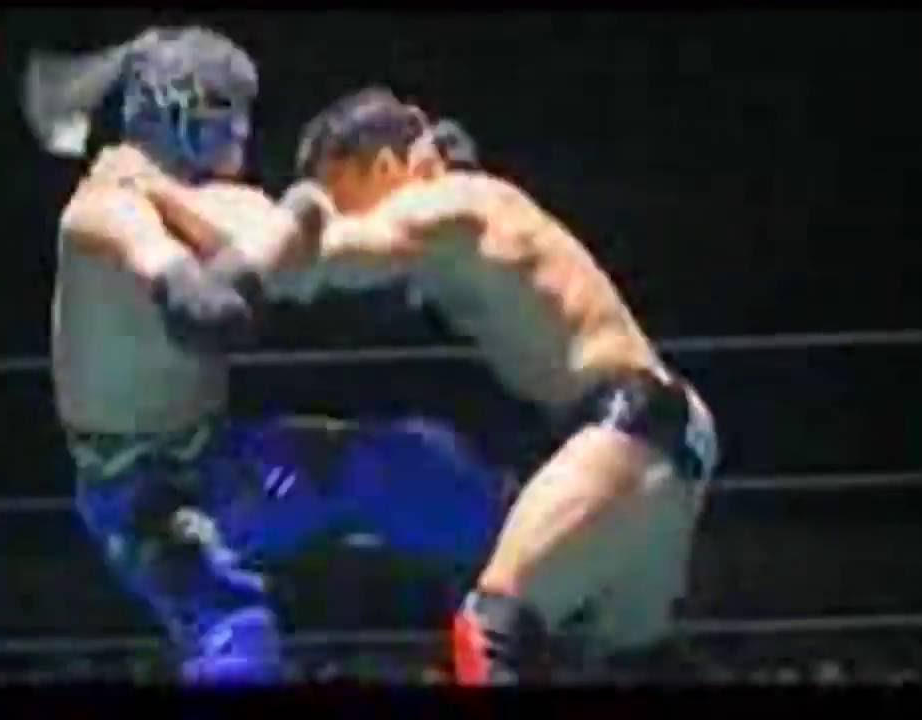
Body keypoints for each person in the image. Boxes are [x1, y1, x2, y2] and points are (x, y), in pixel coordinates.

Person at [118, 86, 720, 684]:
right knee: (633, 656)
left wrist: (167, 198)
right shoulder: (478, 211)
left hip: (629, 428)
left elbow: (317, 256)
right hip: (664, 431)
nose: (335, 211)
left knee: (491, 634)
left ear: (384, 166)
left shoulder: (443, 205)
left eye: (338, 194)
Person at [25, 32, 505, 685]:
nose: (243, 129)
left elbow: (311, 248)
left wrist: (412, 202)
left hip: (218, 455)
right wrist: (285, 222)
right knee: (234, 632)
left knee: (412, 462)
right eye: (228, 108)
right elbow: (200, 307)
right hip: (139, 491)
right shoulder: (105, 210)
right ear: (180, 108)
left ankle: (536, 574)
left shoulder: (191, 195)